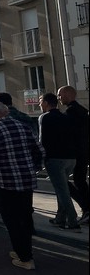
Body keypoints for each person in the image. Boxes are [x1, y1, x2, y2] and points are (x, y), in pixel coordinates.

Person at [0, 101, 45, 270]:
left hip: (5, 181)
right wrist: (34, 168)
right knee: (24, 217)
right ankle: (23, 250)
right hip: (27, 179)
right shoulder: (23, 127)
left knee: (12, 220)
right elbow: (40, 151)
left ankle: (25, 258)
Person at [38, 92, 81, 231]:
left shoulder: (44, 117)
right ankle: (60, 218)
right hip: (70, 157)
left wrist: (41, 159)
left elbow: (42, 140)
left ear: (46, 103)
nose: (39, 104)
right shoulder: (65, 117)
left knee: (62, 191)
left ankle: (72, 220)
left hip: (55, 158)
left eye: (40, 102)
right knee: (61, 188)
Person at [58, 85, 89, 224]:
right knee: (79, 181)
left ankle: (86, 208)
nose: (59, 98)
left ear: (68, 95)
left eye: (60, 95)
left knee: (70, 182)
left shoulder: (71, 113)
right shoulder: (83, 110)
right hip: (83, 150)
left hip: (75, 152)